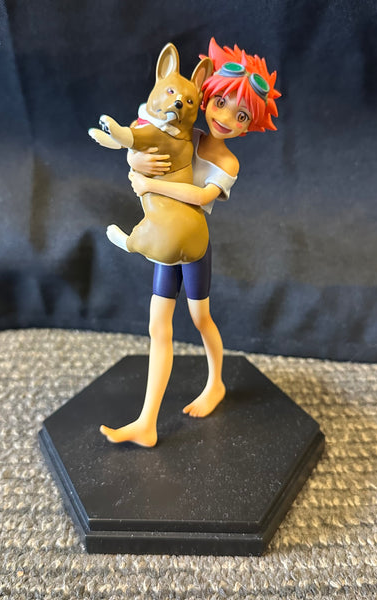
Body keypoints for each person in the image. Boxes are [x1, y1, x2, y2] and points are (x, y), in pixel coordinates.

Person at [99, 38, 280, 447]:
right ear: (206, 97)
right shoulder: (189, 133)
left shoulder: (228, 162)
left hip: (196, 246)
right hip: (165, 240)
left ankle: (216, 382)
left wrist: (148, 183)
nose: (226, 118)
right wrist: (134, 161)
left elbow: (200, 196)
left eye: (241, 115)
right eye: (220, 103)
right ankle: (146, 422)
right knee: (157, 325)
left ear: (250, 126)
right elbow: (148, 140)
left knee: (200, 318)